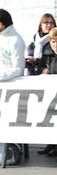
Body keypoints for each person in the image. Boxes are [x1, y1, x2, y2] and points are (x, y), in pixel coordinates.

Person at [36, 27, 57, 157]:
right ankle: (50, 144)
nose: (55, 44)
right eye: (53, 41)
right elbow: (39, 67)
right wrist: (42, 70)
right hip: (50, 91)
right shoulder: (47, 52)